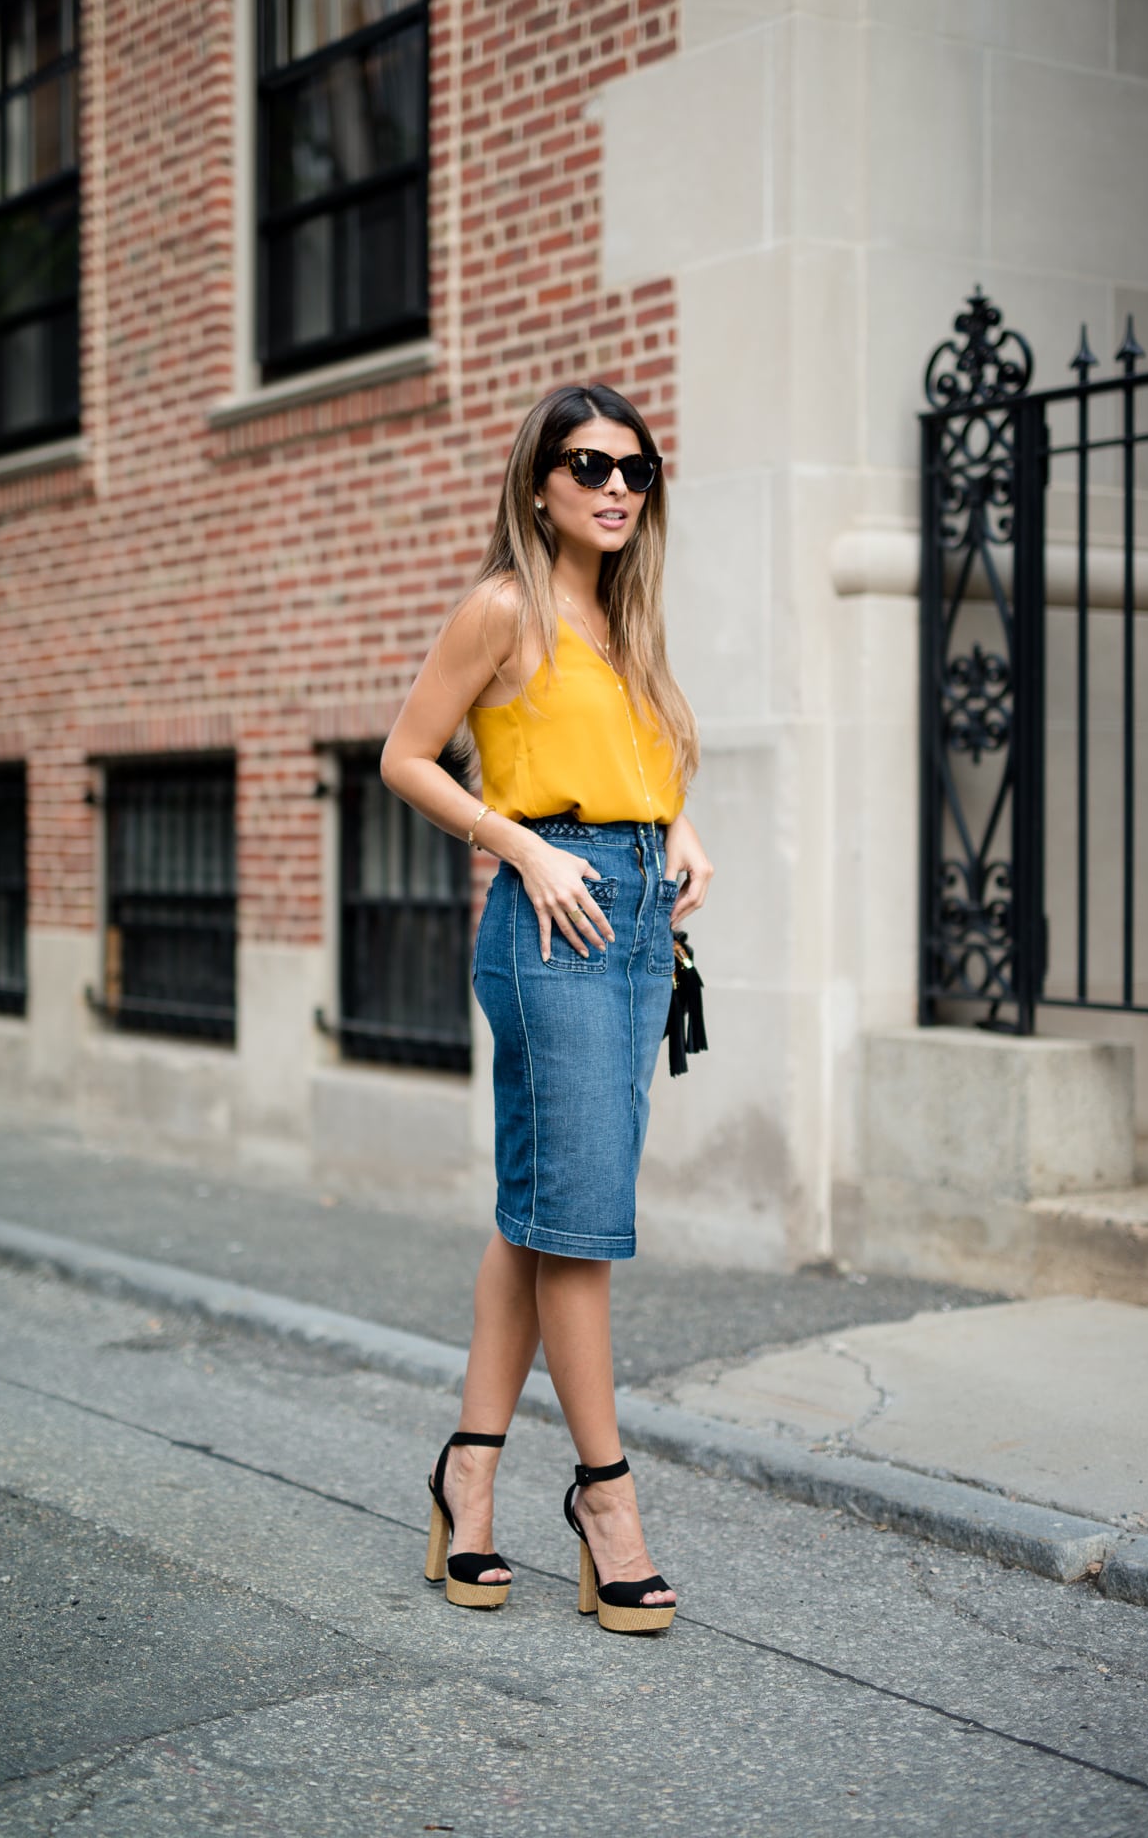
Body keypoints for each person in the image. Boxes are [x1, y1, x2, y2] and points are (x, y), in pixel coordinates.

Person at [380, 383, 712, 1635]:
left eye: (638, 468)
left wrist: (683, 834)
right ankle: (607, 1501)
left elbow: (654, 768)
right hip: (552, 915)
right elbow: (406, 755)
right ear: (540, 481)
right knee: (578, 1220)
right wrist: (517, 846)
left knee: (542, 1204)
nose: (617, 485)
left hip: (631, 920)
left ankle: (469, 1473)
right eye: (590, 464)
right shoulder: (504, 608)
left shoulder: (625, 617)